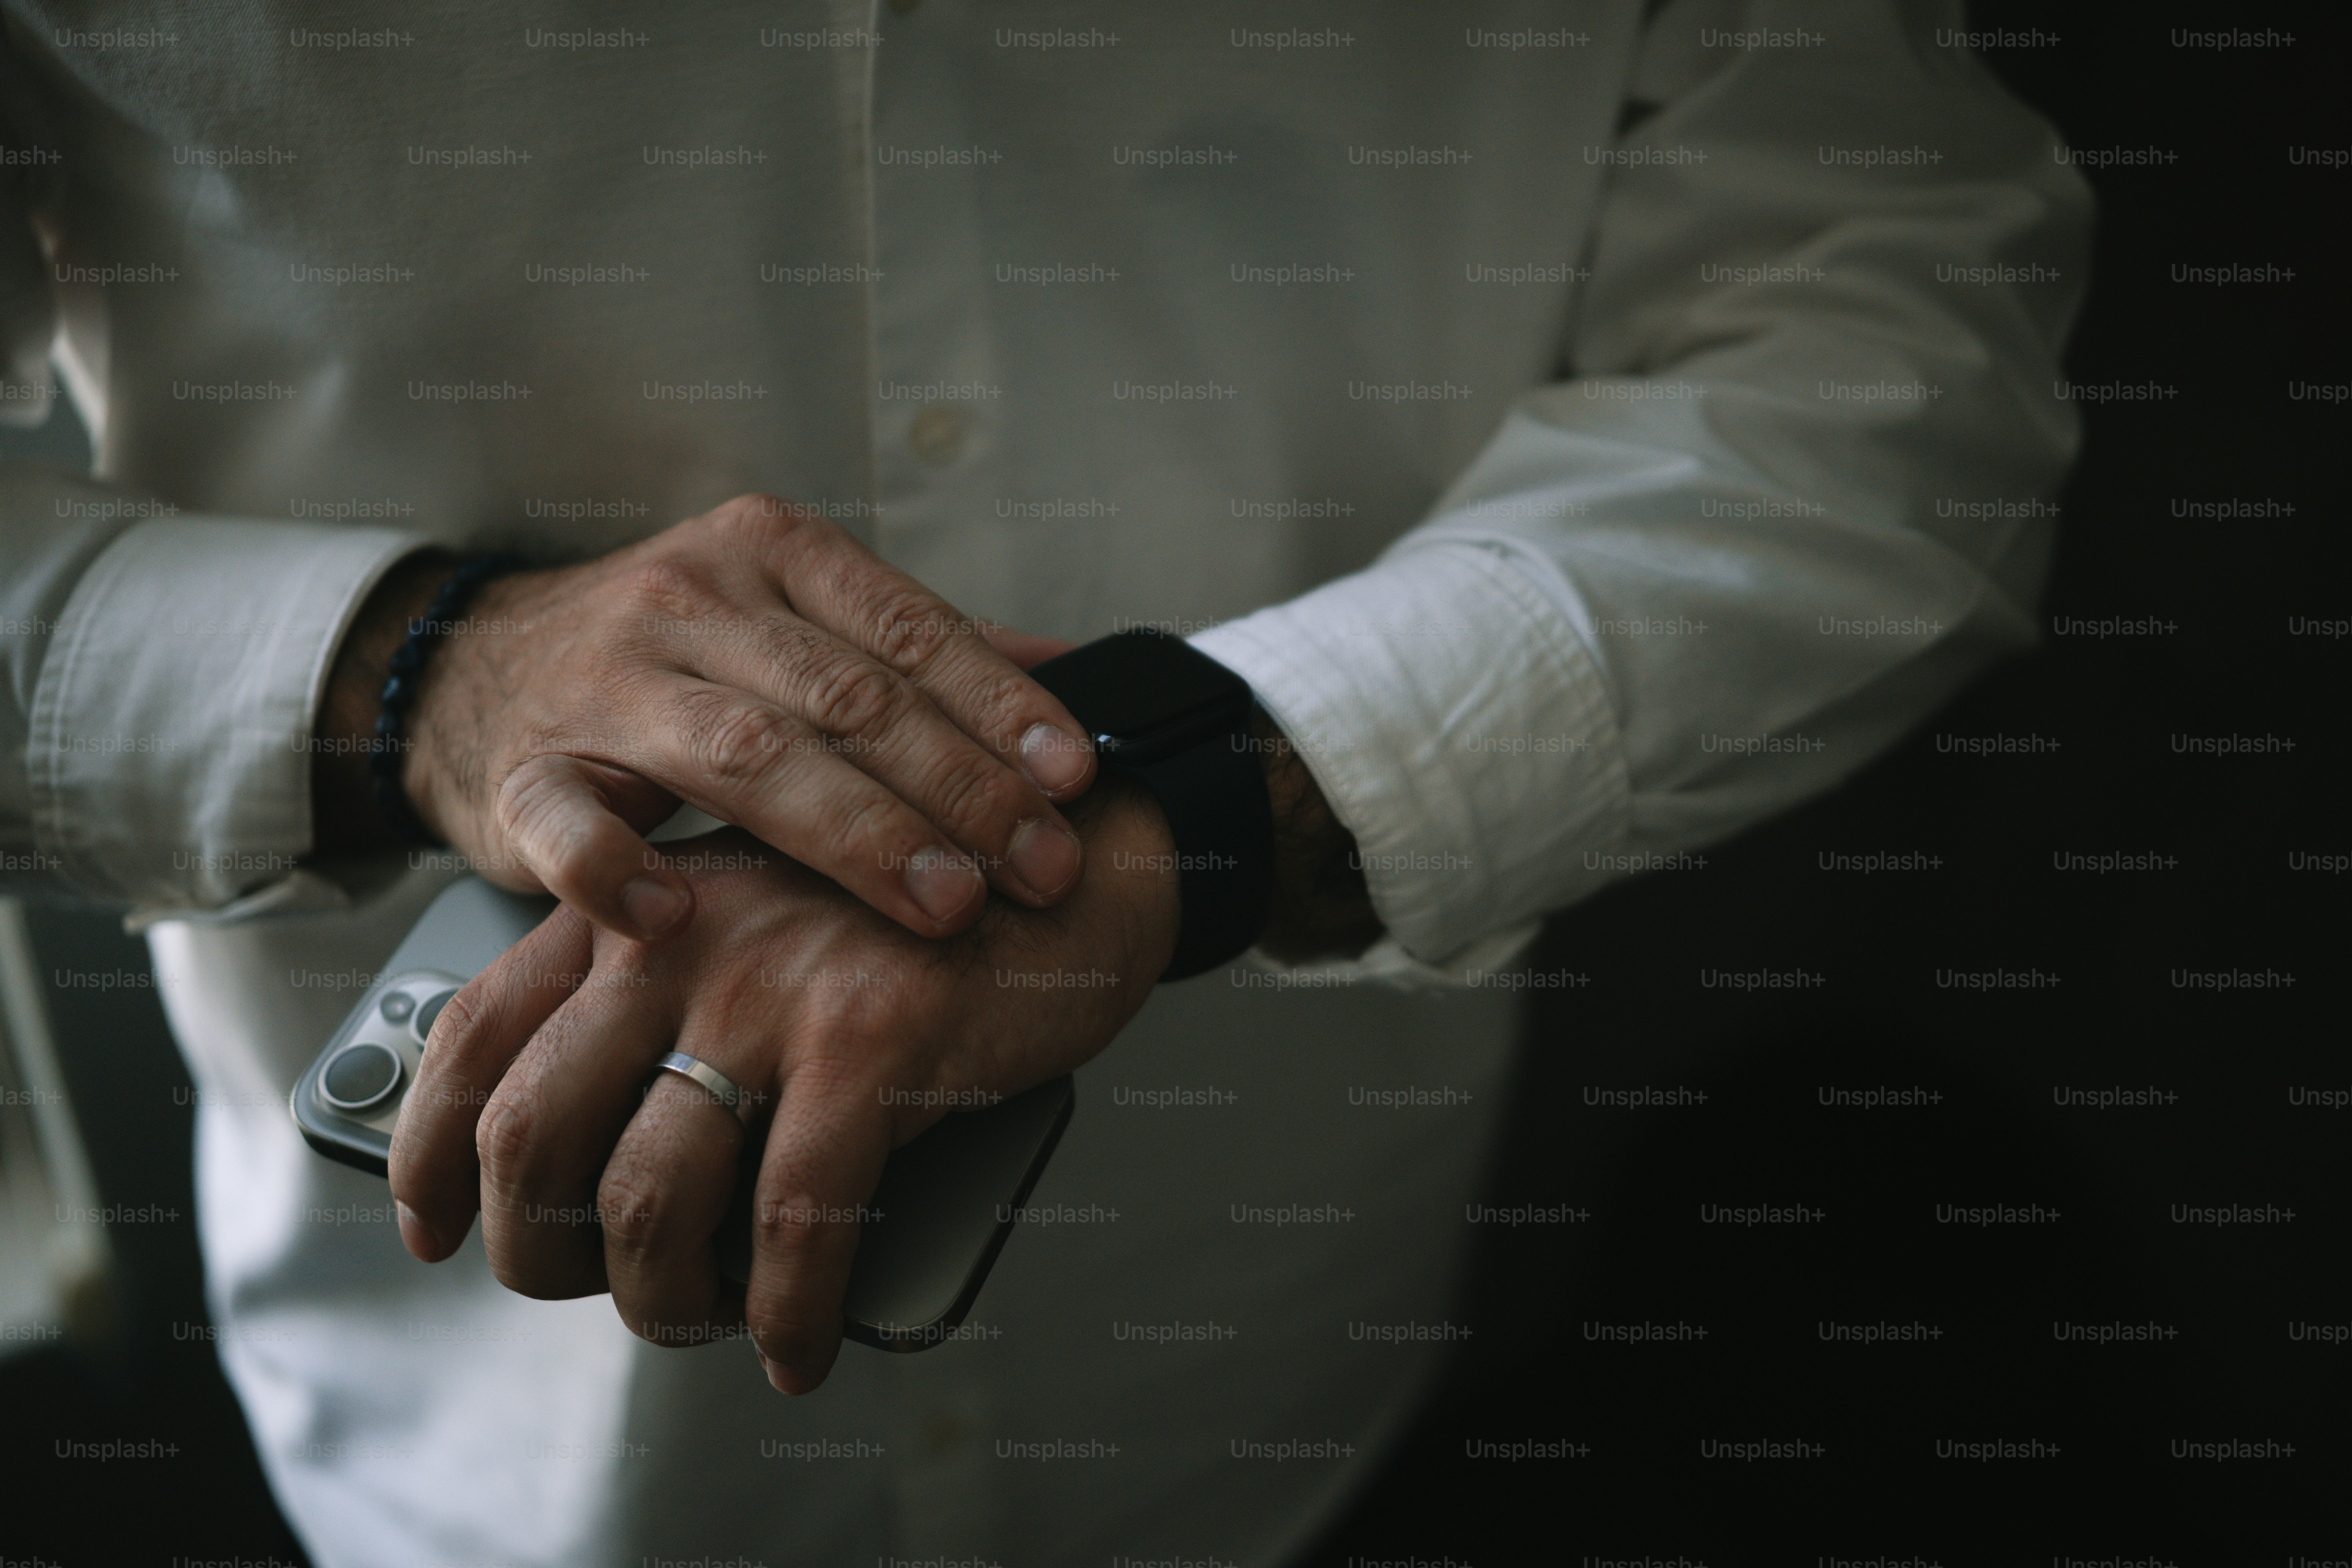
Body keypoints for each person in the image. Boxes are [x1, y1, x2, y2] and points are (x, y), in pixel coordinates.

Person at [0, 3, 2089, 1563]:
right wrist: (418, 680)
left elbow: (1885, 322)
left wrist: (1204, 802)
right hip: (462, 1459)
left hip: (1270, 1361)